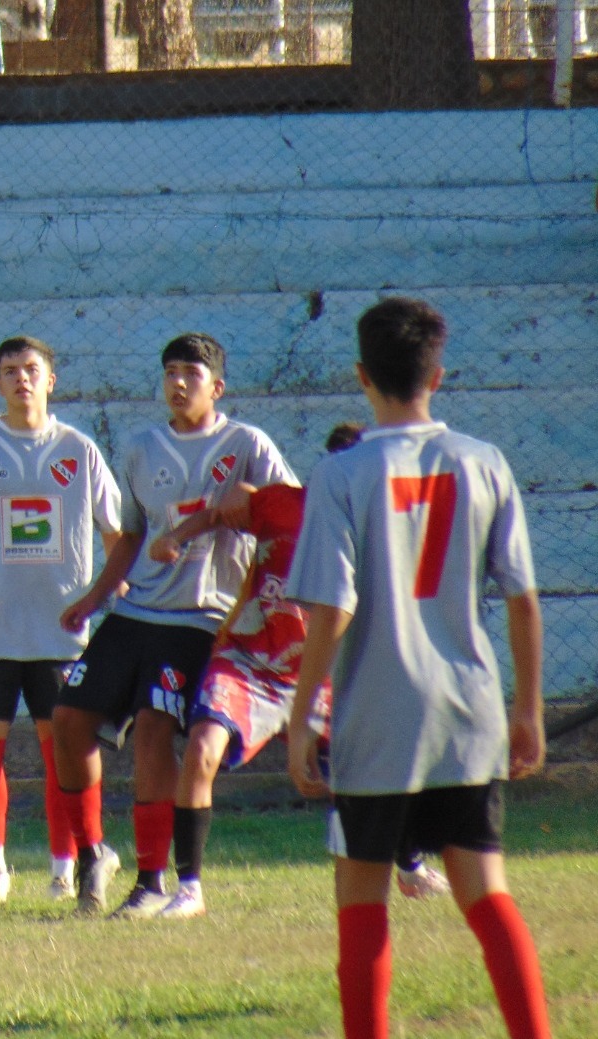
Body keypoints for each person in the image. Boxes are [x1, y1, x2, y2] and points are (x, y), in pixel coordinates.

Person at [286, 298, 549, 1039]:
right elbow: (522, 600)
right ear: (439, 373)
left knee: (361, 897)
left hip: (377, 714)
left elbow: (332, 607)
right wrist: (526, 707)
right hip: (468, 709)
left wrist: (305, 711)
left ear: (361, 375)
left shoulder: (341, 474)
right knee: (485, 892)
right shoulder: (483, 461)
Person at [145, 422, 449, 920]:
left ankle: (410, 865)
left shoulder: (388, 531)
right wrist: (177, 536)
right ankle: (190, 889)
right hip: (250, 663)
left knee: (370, 768)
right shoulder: (284, 504)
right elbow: (226, 504)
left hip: (327, 673)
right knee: (201, 749)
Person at [52, 332, 295, 916]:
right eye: (170, 373)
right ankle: (93, 853)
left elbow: (288, 509)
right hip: (135, 612)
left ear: (217, 386)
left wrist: (246, 506)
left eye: (191, 373)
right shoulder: (140, 449)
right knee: (67, 719)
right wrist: (96, 596)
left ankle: (152, 882)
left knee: (154, 728)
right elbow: (131, 534)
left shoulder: (247, 444)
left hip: (200, 617)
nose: (179, 383)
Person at [0, 336, 123, 903]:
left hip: (61, 632)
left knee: (59, 753)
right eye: (10, 371)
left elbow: (118, 534)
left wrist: (101, 593)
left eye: (31, 369)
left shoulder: (79, 450)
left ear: (50, 379)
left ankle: (67, 870)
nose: (21, 379)